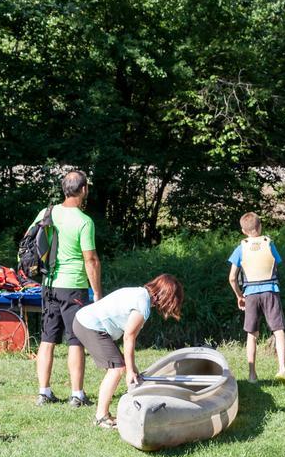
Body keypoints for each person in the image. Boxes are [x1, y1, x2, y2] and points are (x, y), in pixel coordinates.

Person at [30, 170, 103, 408]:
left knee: (47, 339)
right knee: (75, 340)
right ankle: (77, 395)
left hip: (49, 284)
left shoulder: (46, 212)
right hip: (74, 287)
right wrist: (98, 293)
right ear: (84, 190)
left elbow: (29, 240)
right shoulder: (84, 221)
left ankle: (44, 392)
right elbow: (90, 260)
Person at [72, 274, 184, 429]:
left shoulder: (139, 293)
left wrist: (133, 369)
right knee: (117, 369)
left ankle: (103, 414)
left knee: (119, 367)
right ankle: (101, 417)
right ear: (165, 296)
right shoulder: (143, 304)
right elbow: (129, 337)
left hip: (85, 320)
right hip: (90, 325)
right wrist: (129, 370)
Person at [227, 212, 285, 384]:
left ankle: (252, 375)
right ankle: (282, 370)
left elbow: (232, 278)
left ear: (243, 230)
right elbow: (275, 263)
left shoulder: (240, 248)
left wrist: (239, 296)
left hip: (250, 294)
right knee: (278, 331)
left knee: (252, 334)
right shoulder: (269, 243)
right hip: (270, 290)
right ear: (260, 227)